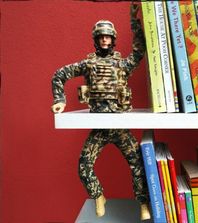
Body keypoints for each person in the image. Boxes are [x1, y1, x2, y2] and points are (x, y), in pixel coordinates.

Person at [51, 3, 150, 220]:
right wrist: (60, 100)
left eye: (107, 37)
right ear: (96, 39)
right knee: (84, 166)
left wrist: (134, 20)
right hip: (100, 129)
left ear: (112, 39)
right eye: (101, 37)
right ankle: (98, 196)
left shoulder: (122, 65)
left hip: (120, 128)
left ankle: (143, 203)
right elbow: (59, 74)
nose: (104, 40)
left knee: (140, 165)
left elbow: (139, 51)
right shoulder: (88, 64)